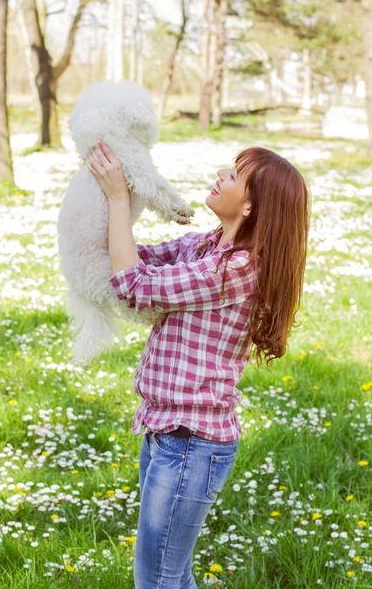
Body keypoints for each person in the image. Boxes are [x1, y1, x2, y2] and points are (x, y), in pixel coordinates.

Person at [87, 139, 311, 589]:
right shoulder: (208, 246)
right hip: (167, 431)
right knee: (169, 574)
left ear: (250, 206)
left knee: (158, 579)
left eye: (233, 176)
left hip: (190, 444)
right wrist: (118, 197)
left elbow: (135, 286)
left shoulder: (238, 269)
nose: (220, 176)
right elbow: (137, 256)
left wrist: (117, 198)